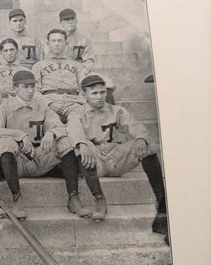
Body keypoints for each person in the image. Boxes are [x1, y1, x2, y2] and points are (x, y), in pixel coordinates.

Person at [0, 70, 104, 220]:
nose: (30, 91)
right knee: (6, 142)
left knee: (65, 141)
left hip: (39, 157)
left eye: (32, 87)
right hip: (17, 162)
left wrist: (51, 134)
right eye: (25, 87)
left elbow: (62, 127)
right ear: (15, 88)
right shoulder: (5, 107)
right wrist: (19, 135)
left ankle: (73, 198)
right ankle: (17, 198)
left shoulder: (41, 106)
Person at [67, 75, 168, 234]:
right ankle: (100, 199)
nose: (99, 97)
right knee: (82, 148)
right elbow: (74, 133)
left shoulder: (117, 111)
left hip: (116, 157)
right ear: (83, 94)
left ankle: (162, 204)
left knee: (149, 146)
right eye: (94, 93)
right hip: (95, 161)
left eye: (102, 92)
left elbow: (136, 127)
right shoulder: (77, 113)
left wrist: (140, 139)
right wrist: (82, 144)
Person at [58, 8, 115, 104]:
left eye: (72, 19)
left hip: (81, 73)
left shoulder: (84, 39)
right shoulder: (55, 39)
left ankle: (111, 115)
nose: (70, 22)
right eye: (67, 19)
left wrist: (82, 73)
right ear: (60, 23)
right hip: (61, 73)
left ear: (76, 20)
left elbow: (89, 60)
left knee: (106, 85)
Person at [32, 28, 85, 123]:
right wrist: (50, 104)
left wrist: (77, 104)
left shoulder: (77, 65)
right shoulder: (38, 66)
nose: (57, 44)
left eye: (60, 40)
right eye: (53, 41)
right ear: (48, 44)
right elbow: (34, 91)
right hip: (49, 104)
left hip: (73, 103)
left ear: (66, 43)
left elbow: (85, 89)